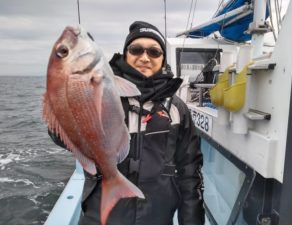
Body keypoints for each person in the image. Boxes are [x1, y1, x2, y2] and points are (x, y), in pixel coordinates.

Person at [49, 21, 205, 225]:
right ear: (125, 54)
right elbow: (61, 137)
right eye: (136, 50)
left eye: (154, 52)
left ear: (163, 59)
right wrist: (63, 100)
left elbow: (189, 172)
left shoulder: (177, 110)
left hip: (157, 218)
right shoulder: (100, 92)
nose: (144, 57)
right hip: (100, 216)